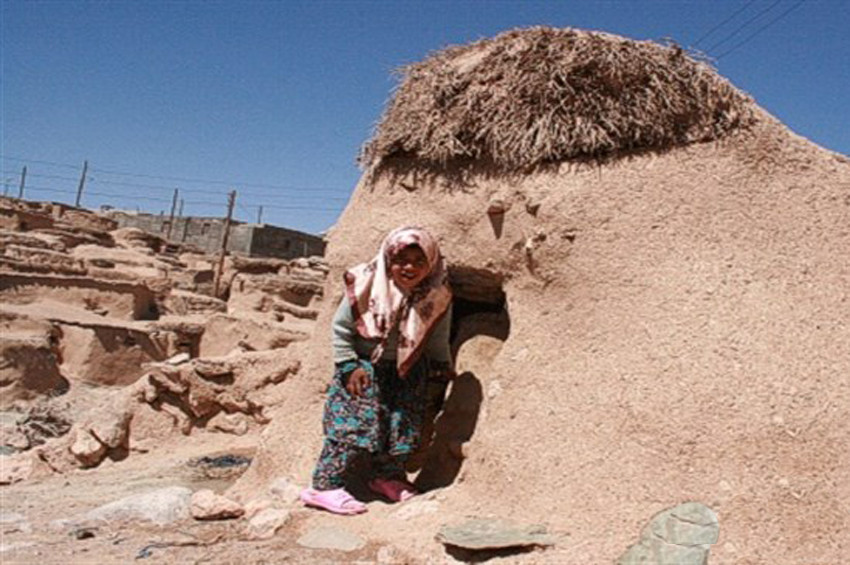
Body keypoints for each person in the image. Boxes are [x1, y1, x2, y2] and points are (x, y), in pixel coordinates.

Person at [300, 226, 454, 515]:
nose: (409, 267)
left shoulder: (437, 294)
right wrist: (348, 365)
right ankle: (323, 487)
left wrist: (441, 369)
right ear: (388, 257)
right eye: (401, 259)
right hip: (363, 369)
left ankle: (387, 478)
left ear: (431, 263)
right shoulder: (366, 283)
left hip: (408, 371)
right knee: (350, 427)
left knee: (401, 428)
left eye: (419, 261)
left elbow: (436, 336)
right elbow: (342, 328)